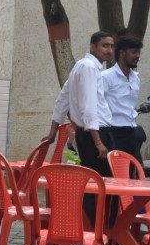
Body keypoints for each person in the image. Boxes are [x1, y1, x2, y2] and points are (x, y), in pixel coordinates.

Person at [44, 31, 114, 221]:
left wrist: (52, 132)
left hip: (89, 133)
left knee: (92, 184)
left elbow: (62, 99)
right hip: (94, 134)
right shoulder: (89, 67)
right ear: (92, 46)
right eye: (104, 45)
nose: (109, 50)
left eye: (111, 46)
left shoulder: (81, 66)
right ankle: (94, 228)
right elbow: (88, 106)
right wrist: (98, 141)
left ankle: (87, 228)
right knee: (100, 186)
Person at [99, 35, 143, 160]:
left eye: (138, 52)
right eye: (134, 52)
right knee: (114, 171)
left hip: (131, 132)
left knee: (132, 169)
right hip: (113, 133)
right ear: (122, 53)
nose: (137, 56)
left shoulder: (135, 78)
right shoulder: (106, 77)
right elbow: (98, 106)